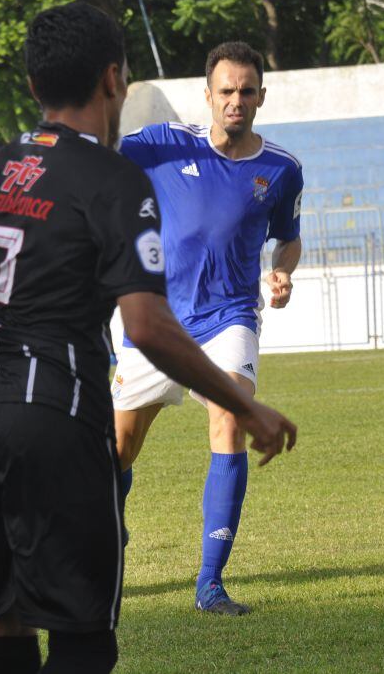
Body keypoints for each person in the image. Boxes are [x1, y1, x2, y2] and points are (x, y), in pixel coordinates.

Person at [0, 5, 297, 674]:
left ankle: (210, 581)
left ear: (33, 86)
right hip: (45, 417)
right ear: (115, 79)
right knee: (83, 646)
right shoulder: (116, 179)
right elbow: (147, 325)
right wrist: (248, 405)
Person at [112, 41, 303, 615]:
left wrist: (281, 272)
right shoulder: (161, 145)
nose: (236, 100)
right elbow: (99, 158)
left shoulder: (281, 169)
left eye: (247, 90)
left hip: (230, 319)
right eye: (226, 90)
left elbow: (288, 237)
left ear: (262, 96)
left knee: (230, 417)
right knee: (118, 448)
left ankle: (211, 584)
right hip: (156, 323)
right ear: (208, 95)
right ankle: (108, 537)